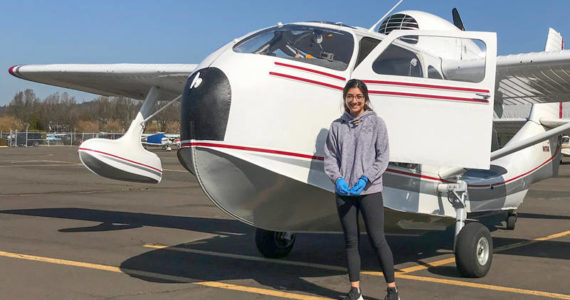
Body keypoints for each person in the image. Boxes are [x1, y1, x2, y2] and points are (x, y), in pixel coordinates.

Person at [324, 79, 399, 300]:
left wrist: (366, 177)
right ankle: (355, 291)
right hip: (344, 193)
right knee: (350, 241)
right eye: (350, 96)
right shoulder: (336, 126)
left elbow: (382, 157)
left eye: (358, 96)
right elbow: (330, 158)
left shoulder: (377, 123)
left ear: (365, 99)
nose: (354, 101)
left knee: (378, 239)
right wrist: (338, 180)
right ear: (345, 99)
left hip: (370, 191)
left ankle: (392, 290)